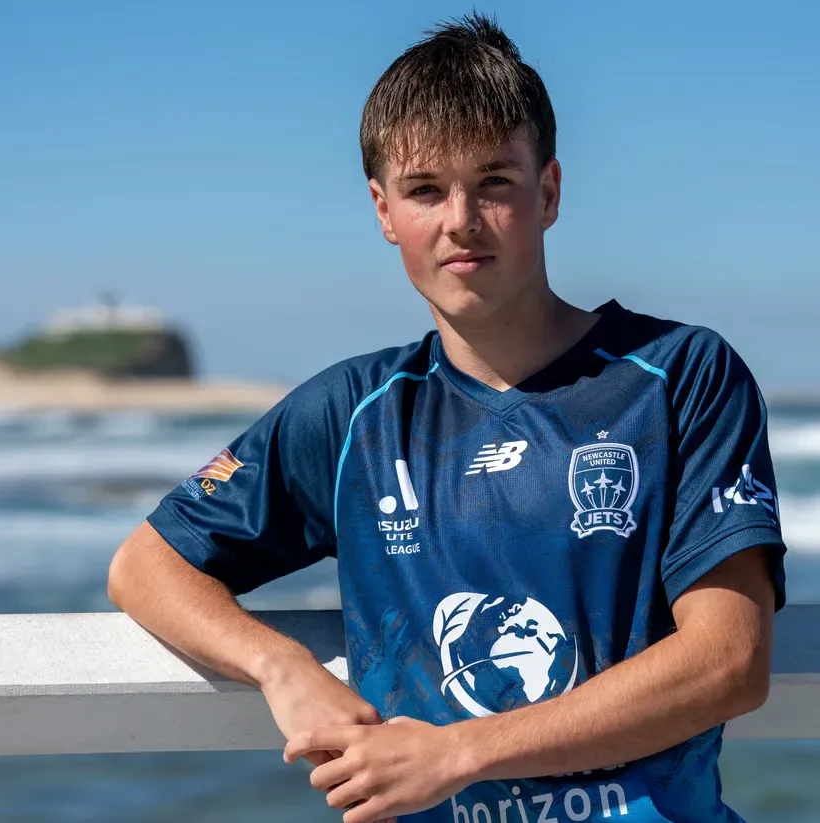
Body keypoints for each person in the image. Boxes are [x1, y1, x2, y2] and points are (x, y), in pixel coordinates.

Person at [108, 13, 787, 823]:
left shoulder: (678, 376)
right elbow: (145, 566)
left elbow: (728, 660)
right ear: (383, 210)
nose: (460, 219)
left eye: (494, 181)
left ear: (548, 191)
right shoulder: (354, 413)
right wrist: (280, 664)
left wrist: (458, 751)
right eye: (425, 190)